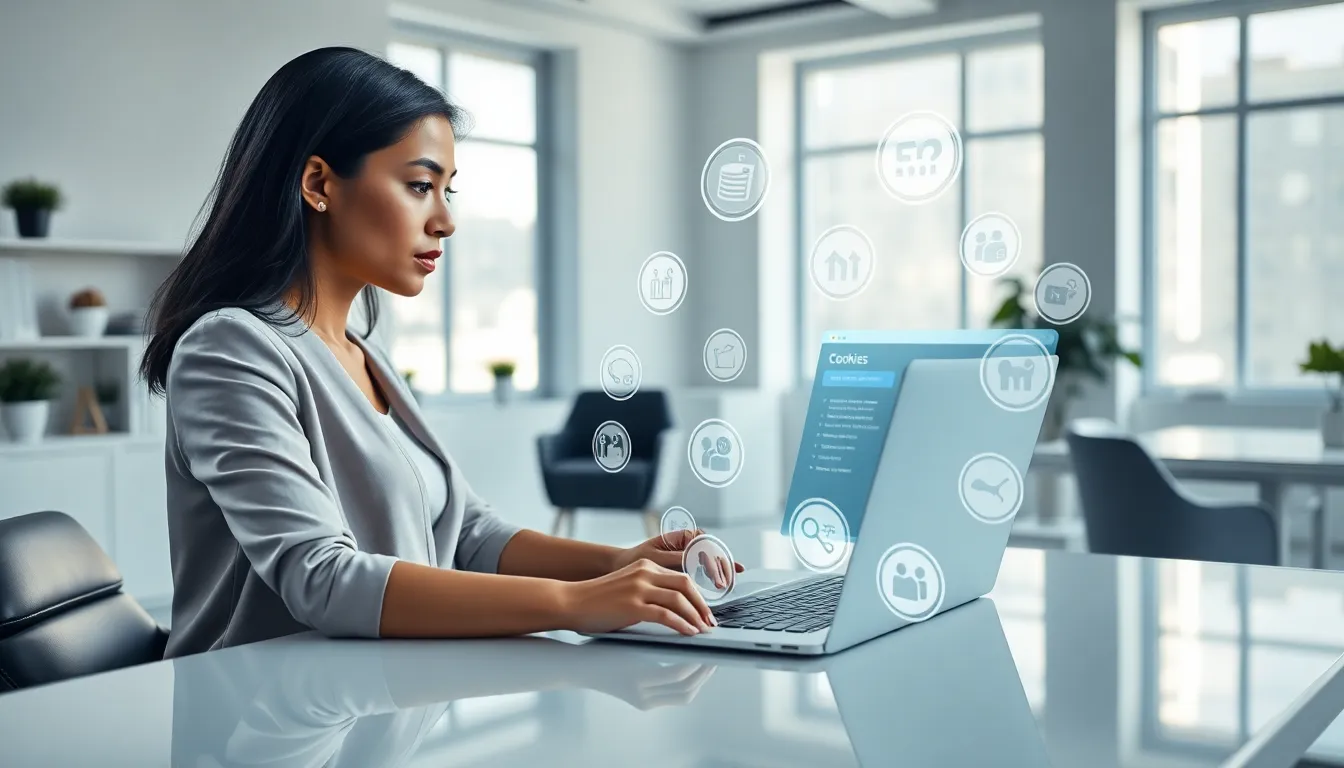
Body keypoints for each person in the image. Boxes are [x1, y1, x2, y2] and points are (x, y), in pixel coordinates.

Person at [140, 47, 740, 659]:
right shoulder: (230, 349)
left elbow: (469, 533)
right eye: (421, 186)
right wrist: (575, 604)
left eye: (446, 190)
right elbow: (321, 578)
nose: (446, 220)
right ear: (319, 183)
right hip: (263, 723)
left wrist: (617, 563)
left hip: (378, 705)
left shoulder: (367, 357)